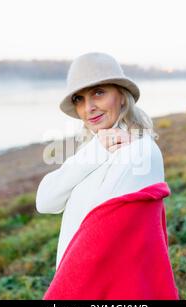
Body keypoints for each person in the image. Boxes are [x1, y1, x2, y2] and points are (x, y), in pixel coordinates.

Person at [36, 52, 166, 271]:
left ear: (122, 96)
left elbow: (105, 237)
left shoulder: (138, 151)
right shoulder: (94, 147)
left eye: (98, 93)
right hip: (75, 281)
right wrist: (96, 150)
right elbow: (45, 202)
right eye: (79, 99)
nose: (88, 108)